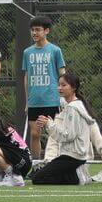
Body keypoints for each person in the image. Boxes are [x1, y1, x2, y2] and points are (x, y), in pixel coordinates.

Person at [31, 73, 102, 185]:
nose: (59, 88)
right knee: (41, 175)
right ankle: (74, 174)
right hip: (72, 156)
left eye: (64, 85)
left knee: (37, 179)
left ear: (73, 87)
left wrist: (49, 124)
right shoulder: (73, 106)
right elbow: (66, 131)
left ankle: (77, 177)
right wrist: (49, 123)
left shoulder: (72, 108)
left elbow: (68, 135)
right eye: (59, 85)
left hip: (72, 157)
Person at [21, 16, 67, 160]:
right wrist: (28, 102)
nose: (34, 33)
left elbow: (62, 75)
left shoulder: (55, 50)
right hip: (35, 100)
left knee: (55, 135)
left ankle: (56, 163)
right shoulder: (27, 52)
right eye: (32, 30)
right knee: (35, 134)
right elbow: (27, 76)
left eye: (38, 30)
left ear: (46, 31)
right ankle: (36, 164)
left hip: (52, 100)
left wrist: (64, 99)